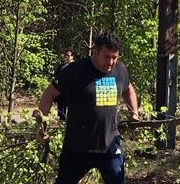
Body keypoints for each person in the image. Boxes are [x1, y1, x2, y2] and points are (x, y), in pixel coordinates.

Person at [36, 31, 141, 184]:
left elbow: (128, 89)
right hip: (77, 147)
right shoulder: (75, 71)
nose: (111, 62)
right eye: (106, 57)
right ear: (96, 52)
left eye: (114, 57)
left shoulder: (120, 70)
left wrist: (134, 113)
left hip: (109, 145)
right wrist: (41, 125)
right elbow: (49, 93)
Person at [56, 48, 76, 120]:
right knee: (61, 110)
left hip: (73, 92)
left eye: (68, 55)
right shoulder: (61, 66)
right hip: (61, 92)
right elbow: (56, 78)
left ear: (72, 56)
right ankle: (61, 123)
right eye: (66, 55)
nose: (67, 57)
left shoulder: (77, 66)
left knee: (73, 110)